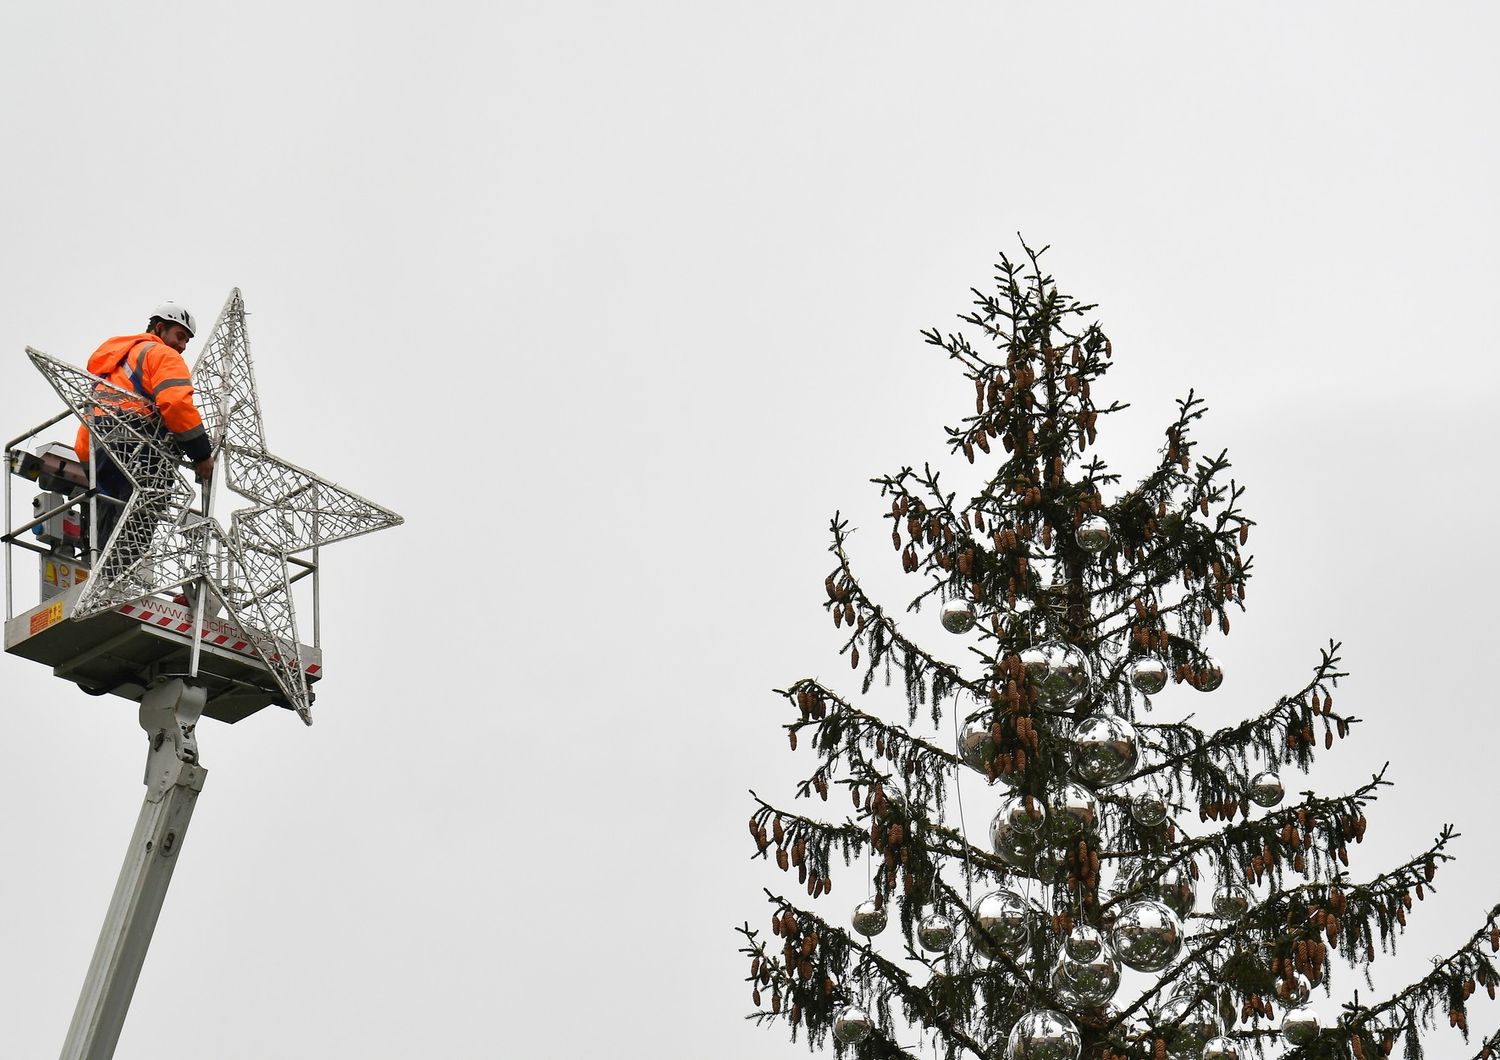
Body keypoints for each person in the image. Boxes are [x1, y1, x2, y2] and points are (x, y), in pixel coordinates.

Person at [74, 303, 215, 555]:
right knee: (139, 519)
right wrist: (201, 454)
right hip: (136, 444)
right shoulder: (162, 355)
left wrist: (91, 463)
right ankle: (118, 579)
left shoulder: (115, 363)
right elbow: (176, 403)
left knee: (104, 526)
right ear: (160, 328)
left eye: (187, 341)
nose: (182, 346)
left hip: (99, 451)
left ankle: (98, 573)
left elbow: (90, 426)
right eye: (180, 336)